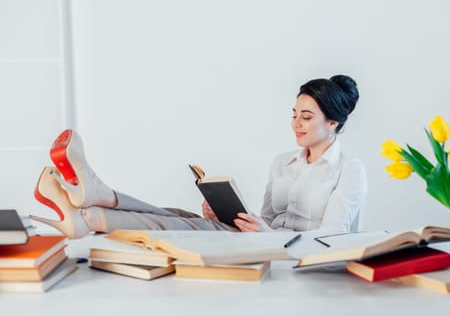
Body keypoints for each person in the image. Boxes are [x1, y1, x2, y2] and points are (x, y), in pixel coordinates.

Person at [31, 75, 367, 238]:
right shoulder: (282, 162)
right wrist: (232, 214)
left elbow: (333, 238)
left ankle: (90, 217)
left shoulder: (349, 169)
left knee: (179, 226)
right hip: (262, 241)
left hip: (293, 254)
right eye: (294, 113)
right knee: (176, 213)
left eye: (306, 117)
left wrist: (267, 235)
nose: (296, 123)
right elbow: (265, 217)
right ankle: (96, 199)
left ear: (333, 121)